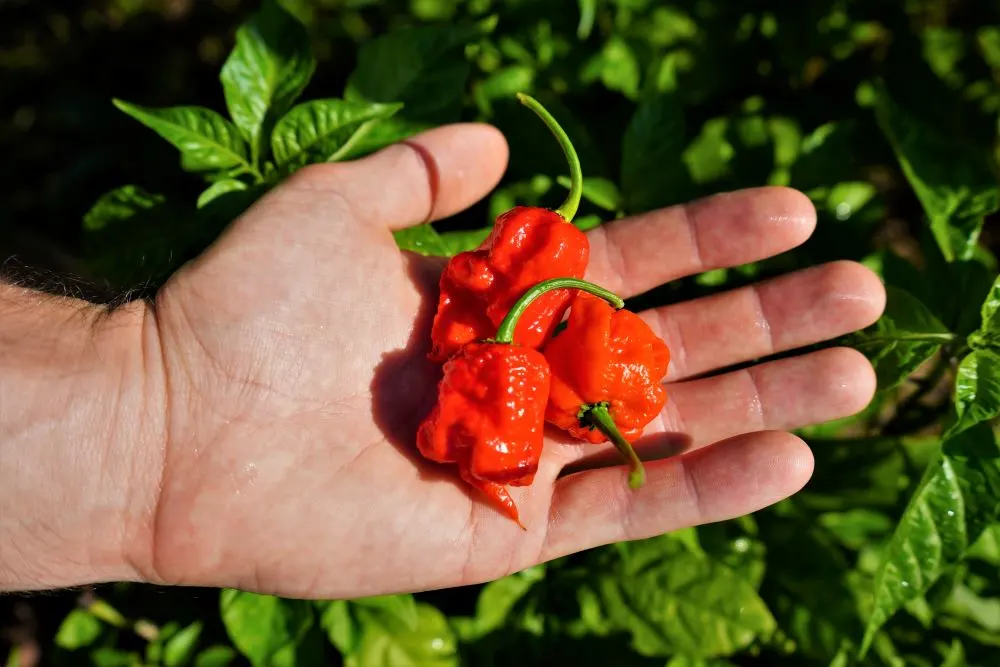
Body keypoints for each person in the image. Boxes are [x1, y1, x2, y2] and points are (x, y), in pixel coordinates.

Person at [0, 123, 885, 599]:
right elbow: (514, 348)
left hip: (527, 376)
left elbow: (533, 354)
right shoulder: (518, 345)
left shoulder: (536, 352)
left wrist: (141, 410)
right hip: (518, 373)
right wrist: (153, 407)